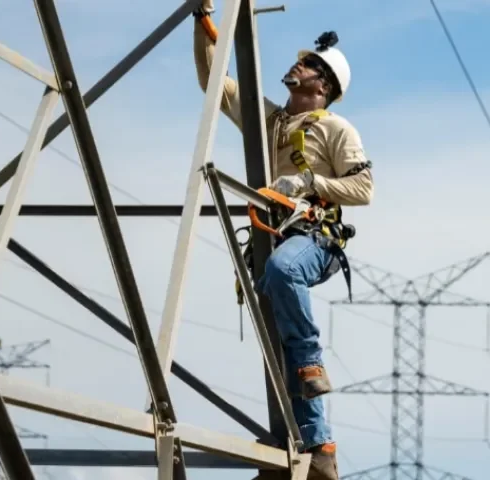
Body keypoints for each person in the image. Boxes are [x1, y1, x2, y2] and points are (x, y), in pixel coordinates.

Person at [192, 2, 374, 479]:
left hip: (314, 236)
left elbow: (363, 189)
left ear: (324, 86)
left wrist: (309, 183)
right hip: (271, 237)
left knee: (284, 274)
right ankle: (311, 444)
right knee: (276, 342)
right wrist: (201, 20)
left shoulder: (336, 128)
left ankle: (312, 367)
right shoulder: (268, 120)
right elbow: (214, 80)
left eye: (311, 64)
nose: (300, 64)